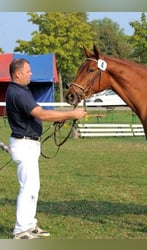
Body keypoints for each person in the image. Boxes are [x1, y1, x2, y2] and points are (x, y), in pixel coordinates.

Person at [5, 58, 87, 239]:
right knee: (28, 188)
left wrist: (60, 116)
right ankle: (20, 230)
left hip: (28, 144)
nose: (31, 74)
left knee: (33, 187)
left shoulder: (21, 90)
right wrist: (71, 114)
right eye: (28, 71)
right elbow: (41, 114)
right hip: (24, 144)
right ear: (18, 73)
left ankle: (30, 225)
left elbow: (38, 111)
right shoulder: (18, 93)